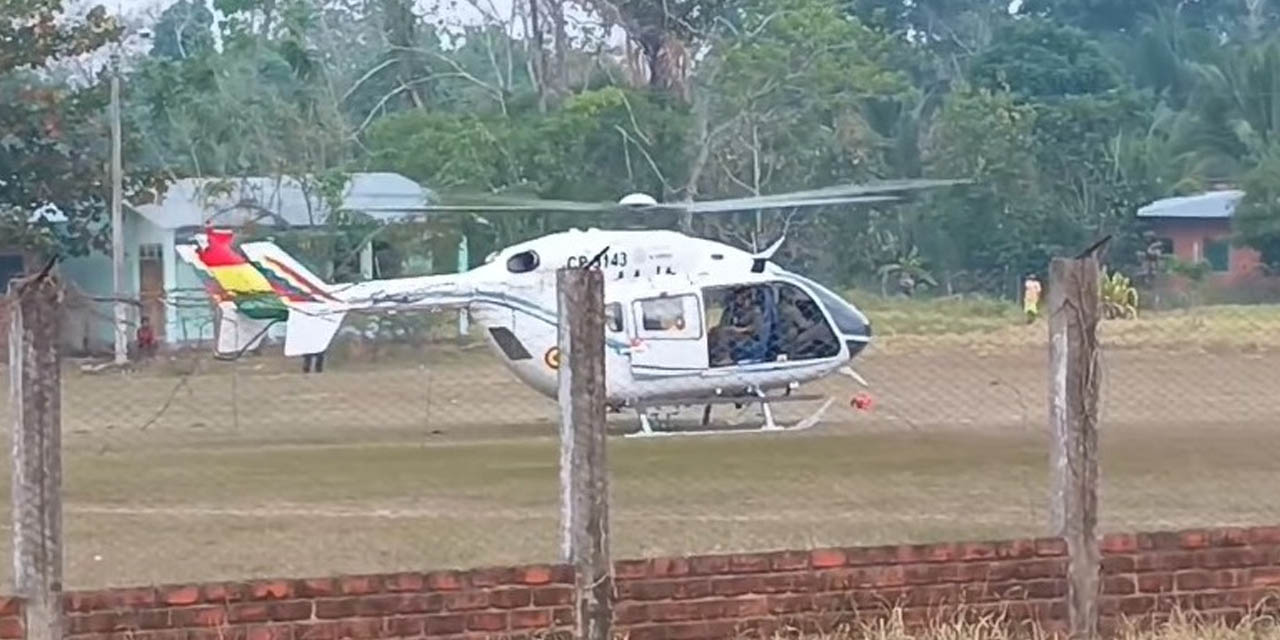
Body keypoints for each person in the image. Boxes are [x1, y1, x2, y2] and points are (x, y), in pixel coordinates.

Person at [708, 287, 764, 365]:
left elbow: (755, 328)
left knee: (724, 335)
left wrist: (739, 330)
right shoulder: (735, 310)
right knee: (716, 332)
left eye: (740, 297)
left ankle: (725, 357)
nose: (737, 300)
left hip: (748, 337)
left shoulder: (755, 311)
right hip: (734, 333)